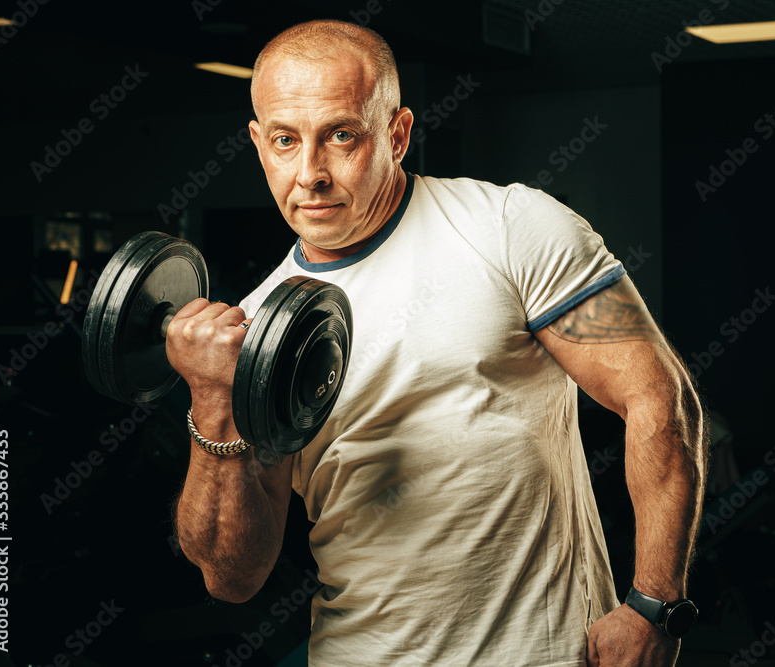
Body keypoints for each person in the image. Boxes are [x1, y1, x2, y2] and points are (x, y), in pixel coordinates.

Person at [168, 19, 705, 667]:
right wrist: (212, 399)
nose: (309, 173)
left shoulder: (511, 228)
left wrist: (654, 603)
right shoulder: (256, 328)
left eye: (341, 135)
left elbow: (658, 398)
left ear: (397, 134)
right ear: (259, 143)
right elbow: (232, 576)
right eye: (285, 140)